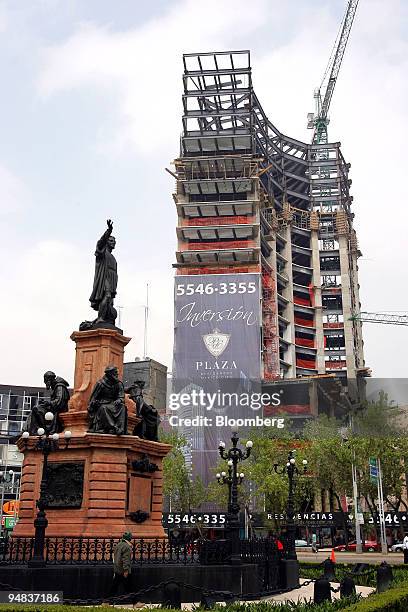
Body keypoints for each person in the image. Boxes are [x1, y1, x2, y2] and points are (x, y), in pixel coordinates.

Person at [89, 218, 118, 326]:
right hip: (104, 278)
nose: (113, 242)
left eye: (114, 241)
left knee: (110, 300)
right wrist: (108, 231)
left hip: (112, 279)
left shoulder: (113, 257)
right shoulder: (102, 252)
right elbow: (100, 242)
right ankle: (100, 318)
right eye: (111, 241)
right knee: (106, 295)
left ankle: (105, 317)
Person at [25, 371, 69, 435]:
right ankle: (27, 430)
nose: (45, 383)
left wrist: (49, 403)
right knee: (36, 409)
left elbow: (59, 401)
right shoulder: (56, 387)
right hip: (54, 409)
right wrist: (47, 403)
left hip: (58, 410)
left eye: (45, 381)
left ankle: (44, 430)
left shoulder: (60, 387)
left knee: (37, 409)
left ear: (49, 380)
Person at [88, 365, 127, 435]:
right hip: (102, 403)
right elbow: (93, 398)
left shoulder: (118, 384)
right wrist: (94, 403)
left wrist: (120, 400)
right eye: (115, 373)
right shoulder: (100, 384)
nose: (117, 374)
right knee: (104, 408)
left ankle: (120, 428)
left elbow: (121, 396)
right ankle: (114, 428)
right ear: (109, 374)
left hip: (113, 403)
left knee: (122, 407)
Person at [107, 532, 133, 599]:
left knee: (115, 587)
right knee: (130, 587)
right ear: (130, 538)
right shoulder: (127, 547)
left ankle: (106, 602)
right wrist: (126, 570)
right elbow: (126, 559)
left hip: (117, 569)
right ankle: (136, 602)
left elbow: (115, 557)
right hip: (123, 570)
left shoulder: (118, 545)